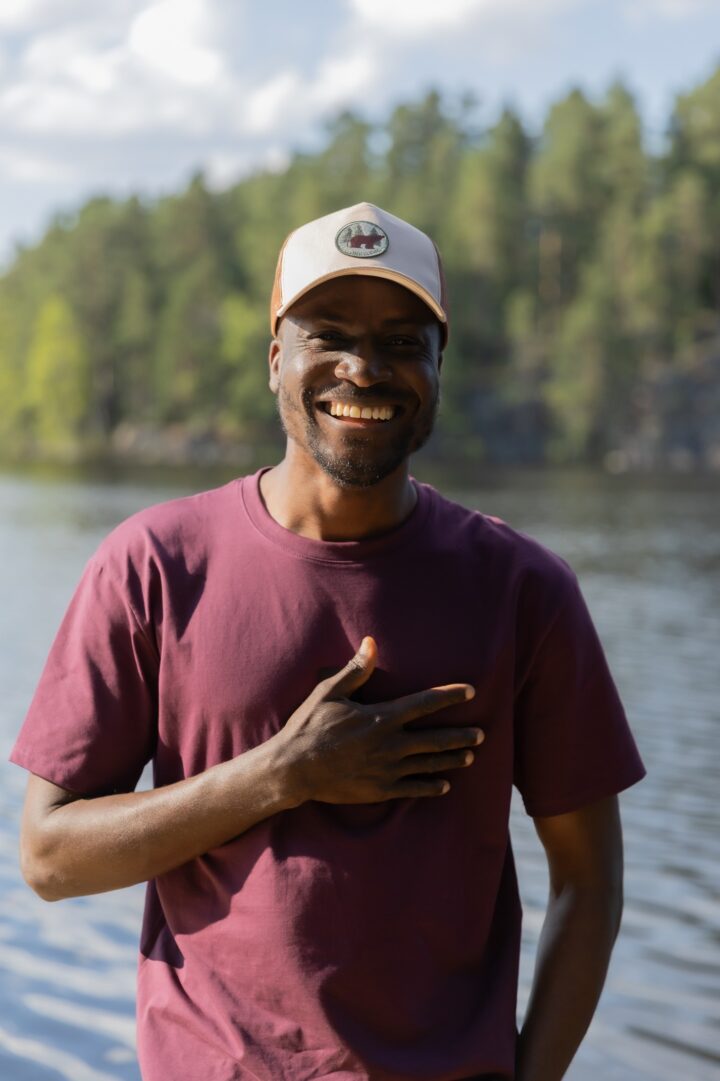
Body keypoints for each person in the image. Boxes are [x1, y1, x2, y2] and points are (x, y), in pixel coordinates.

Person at [10, 202, 647, 1081]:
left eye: (401, 340)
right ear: (277, 356)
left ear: (436, 369)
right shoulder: (154, 566)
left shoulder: (522, 590)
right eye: (330, 332)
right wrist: (280, 773)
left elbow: (590, 881)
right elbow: (49, 857)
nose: (365, 367)